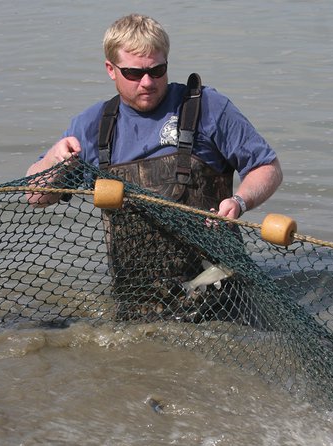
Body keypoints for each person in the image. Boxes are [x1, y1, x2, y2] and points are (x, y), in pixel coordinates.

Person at [26, 13, 283, 323]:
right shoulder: (91, 126)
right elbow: (36, 196)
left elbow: (267, 167)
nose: (147, 82)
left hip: (221, 298)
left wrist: (240, 201)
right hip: (136, 304)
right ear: (111, 69)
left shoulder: (207, 108)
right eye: (134, 73)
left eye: (156, 70)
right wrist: (54, 159)